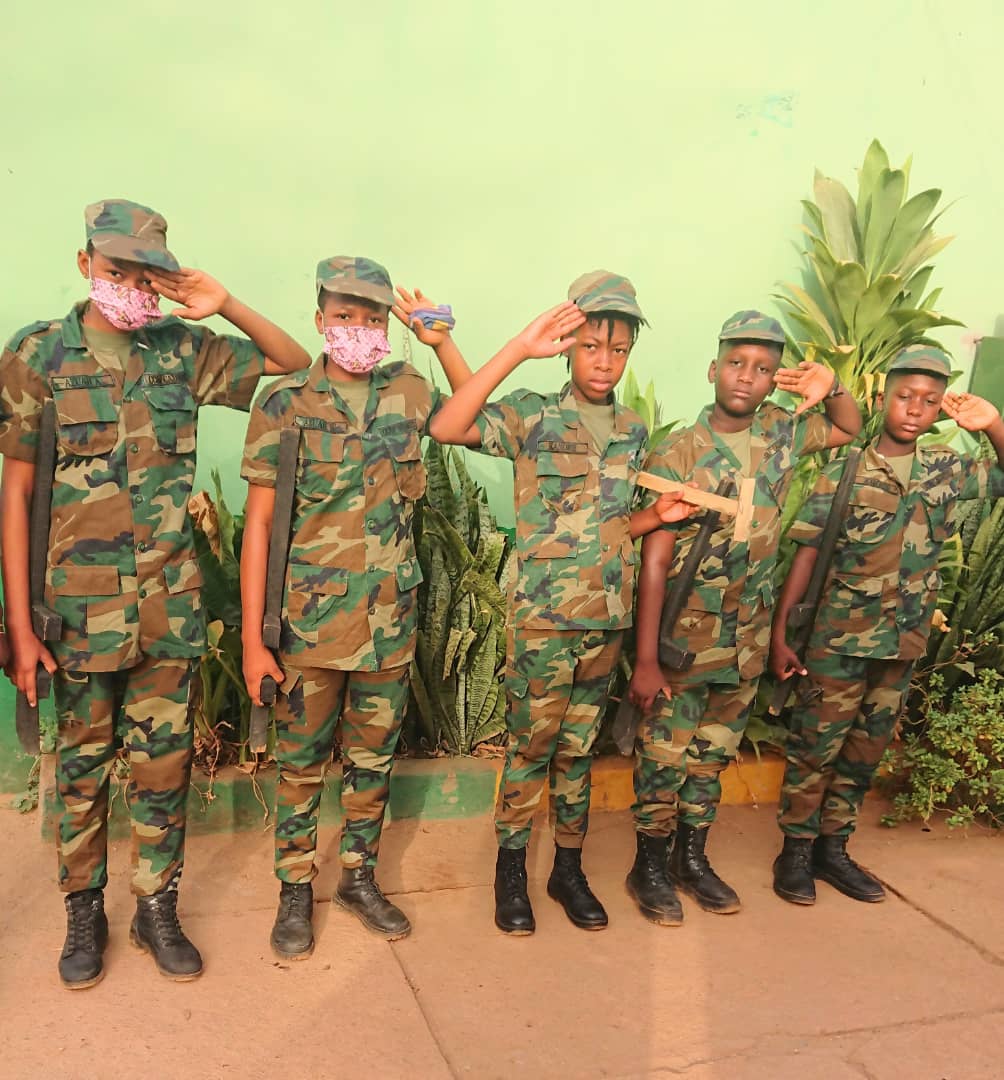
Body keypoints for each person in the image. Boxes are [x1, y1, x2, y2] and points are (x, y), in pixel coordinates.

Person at [0, 199, 311, 988]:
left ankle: (156, 907)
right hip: (76, 614)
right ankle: (83, 912)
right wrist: (20, 625)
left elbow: (291, 359)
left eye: (146, 275)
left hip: (168, 610)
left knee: (163, 767)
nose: (131, 287)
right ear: (85, 265)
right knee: (81, 769)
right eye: (117, 270)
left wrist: (224, 302)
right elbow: (18, 491)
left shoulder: (182, 350)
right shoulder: (38, 354)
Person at [429, 271, 692, 935]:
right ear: (569, 344)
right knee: (531, 750)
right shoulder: (532, 413)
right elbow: (449, 425)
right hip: (544, 624)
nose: (605, 361)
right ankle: (511, 870)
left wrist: (653, 516)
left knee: (579, 753)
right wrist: (520, 347)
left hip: (605, 623)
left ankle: (567, 869)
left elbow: (610, 525)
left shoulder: (632, 430)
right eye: (592, 346)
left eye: (619, 349)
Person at [240, 257, 470, 958]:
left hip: (389, 624)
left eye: (373, 318)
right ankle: (294, 890)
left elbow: (470, 419)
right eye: (345, 315)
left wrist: (441, 345)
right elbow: (258, 524)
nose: (359, 329)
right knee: (300, 767)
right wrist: (253, 641)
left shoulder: (408, 391)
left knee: (374, 763)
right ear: (320, 320)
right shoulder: (284, 403)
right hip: (307, 627)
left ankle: (358, 878)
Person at [626, 310, 863, 925]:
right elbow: (655, 560)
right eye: (736, 363)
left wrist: (832, 385)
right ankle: (649, 864)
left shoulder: (782, 432)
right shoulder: (678, 450)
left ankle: (691, 858)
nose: (746, 376)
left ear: (774, 379)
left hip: (747, 641)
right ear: (713, 369)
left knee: (712, 755)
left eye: (762, 368)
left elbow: (848, 427)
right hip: (684, 640)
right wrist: (646, 657)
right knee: (664, 755)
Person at [771, 345, 1004, 905]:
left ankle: (833, 849)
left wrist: (994, 424)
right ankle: (795, 852)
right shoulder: (844, 470)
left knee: (865, 750)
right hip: (837, 638)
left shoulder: (947, 469)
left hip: (903, 639)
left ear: (940, 409)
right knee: (815, 746)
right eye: (904, 396)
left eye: (929, 400)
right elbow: (806, 553)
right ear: (882, 399)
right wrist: (782, 635)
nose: (915, 408)